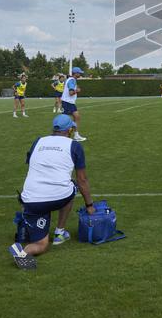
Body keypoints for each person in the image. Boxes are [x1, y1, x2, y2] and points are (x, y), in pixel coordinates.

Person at [8, 114, 96, 270]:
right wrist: (89, 205)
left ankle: (22, 252)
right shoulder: (74, 145)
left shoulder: (38, 141)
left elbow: (33, 166)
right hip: (58, 196)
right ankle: (59, 232)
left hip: (30, 200)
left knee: (41, 244)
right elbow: (82, 180)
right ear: (69, 130)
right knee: (72, 185)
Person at [60, 67, 86, 141]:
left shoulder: (72, 80)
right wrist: (77, 90)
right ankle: (65, 134)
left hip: (69, 102)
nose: (80, 74)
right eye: (79, 73)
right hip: (67, 102)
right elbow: (71, 93)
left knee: (76, 117)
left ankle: (74, 135)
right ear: (75, 73)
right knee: (66, 120)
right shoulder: (72, 80)